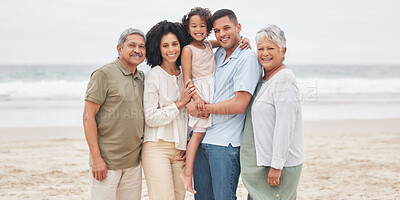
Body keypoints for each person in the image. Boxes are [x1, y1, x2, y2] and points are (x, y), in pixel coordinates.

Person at [185, 9, 262, 200]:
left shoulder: (247, 58)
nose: (222, 34)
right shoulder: (218, 54)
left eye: (226, 28)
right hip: (202, 137)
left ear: (238, 27)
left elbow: (240, 104)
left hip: (224, 146)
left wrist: (201, 108)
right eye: (217, 30)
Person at [240, 25, 305, 200]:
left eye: (270, 48)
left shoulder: (283, 80)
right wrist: (243, 41)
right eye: (260, 48)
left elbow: (285, 126)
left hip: (280, 165)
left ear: (283, 51)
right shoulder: (266, 77)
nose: (264, 53)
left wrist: (277, 166)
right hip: (265, 162)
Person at [82, 28, 146, 200]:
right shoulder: (103, 74)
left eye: (142, 46)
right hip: (107, 162)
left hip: (133, 163)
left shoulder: (142, 78)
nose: (137, 50)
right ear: (119, 49)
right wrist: (96, 159)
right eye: (132, 45)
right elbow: (88, 116)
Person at [141, 20, 196, 200]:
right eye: (165, 45)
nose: (171, 49)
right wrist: (180, 103)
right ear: (158, 48)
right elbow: (150, 117)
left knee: (179, 197)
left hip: (181, 149)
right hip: (157, 148)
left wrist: (187, 143)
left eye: (175, 44)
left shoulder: (185, 73)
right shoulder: (154, 75)